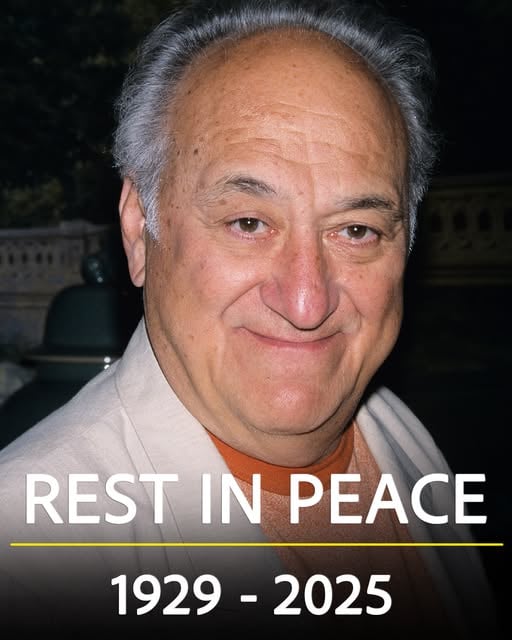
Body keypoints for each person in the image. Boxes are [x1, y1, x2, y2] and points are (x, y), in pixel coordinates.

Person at [0, 0, 500, 637]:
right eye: (248, 223)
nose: (307, 303)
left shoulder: (402, 439)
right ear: (139, 227)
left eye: (356, 229)